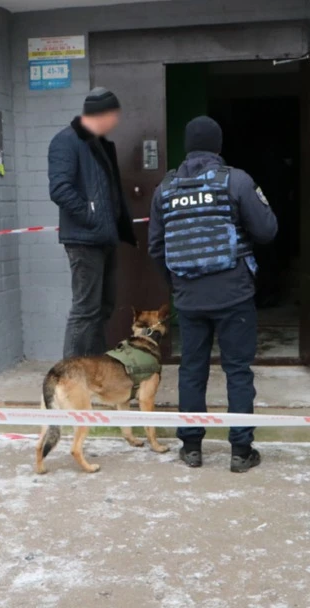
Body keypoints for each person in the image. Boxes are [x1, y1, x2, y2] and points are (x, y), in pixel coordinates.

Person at [149, 116, 278, 473]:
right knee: (237, 370)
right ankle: (241, 452)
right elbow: (267, 230)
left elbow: (156, 248)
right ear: (218, 147)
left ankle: (191, 448)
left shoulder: (166, 189)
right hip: (234, 294)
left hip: (189, 297)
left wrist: (178, 284)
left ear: (187, 147)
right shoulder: (235, 180)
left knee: (192, 370)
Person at [48, 87, 136, 358]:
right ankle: (70, 376)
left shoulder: (96, 143)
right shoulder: (66, 140)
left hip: (103, 238)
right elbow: (59, 189)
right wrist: (92, 216)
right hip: (84, 240)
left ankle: (95, 367)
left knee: (104, 307)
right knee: (85, 310)